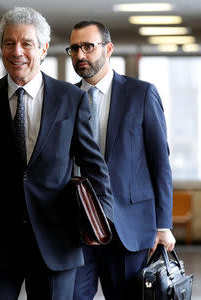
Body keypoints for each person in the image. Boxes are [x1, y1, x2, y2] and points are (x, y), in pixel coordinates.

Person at [0, 7, 114, 300]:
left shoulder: (71, 98)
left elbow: (92, 163)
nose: (17, 51)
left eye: (26, 43)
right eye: (9, 43)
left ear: (43, 48)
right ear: (1, 48)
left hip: (57, 238)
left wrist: (103, 217)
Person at [66, 20, 175, 300]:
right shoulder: (64, 98)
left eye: (88, 46)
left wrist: (163, 225)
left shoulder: (141, 94)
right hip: (77, 227)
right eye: (74, 48)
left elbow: (160, 163)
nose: (80, 55)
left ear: (108, 48)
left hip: (128, 227)